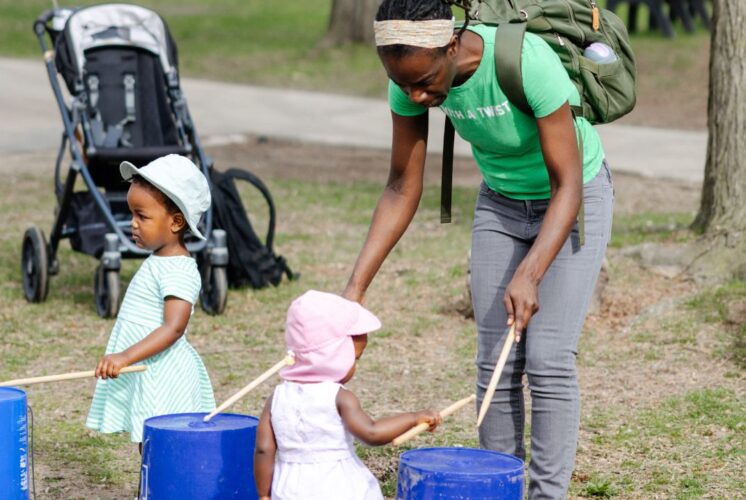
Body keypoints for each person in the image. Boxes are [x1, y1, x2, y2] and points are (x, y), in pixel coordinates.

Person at [343, 1, 614, 498]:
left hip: (573, 198)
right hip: (501, 203)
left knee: (549, 357)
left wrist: (530, 272)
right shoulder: (408, 78)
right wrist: (354, 291)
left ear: (451, 46)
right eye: (403, 84)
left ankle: (546, 494)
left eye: (424, 81)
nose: (416, 95)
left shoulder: (525, 61)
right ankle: (499, 485)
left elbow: (569, 182)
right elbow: (402, 186)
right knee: (496, 359)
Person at [254, 290, 441, 500]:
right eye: (355, 358)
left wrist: (264, 495)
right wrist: (413, 418)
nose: (355, 366)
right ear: (334, 357)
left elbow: (264, 449)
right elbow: (372, 433)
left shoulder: (277, 398)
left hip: (290, 489)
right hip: (337, 487)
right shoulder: (339, 397)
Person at [86, 154, 215, 445]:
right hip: (148, 369)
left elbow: (173, 328)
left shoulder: (179, 268)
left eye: (142, 216)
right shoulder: (159, 260)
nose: (132, 224)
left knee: (161, 443)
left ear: (175, 221)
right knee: (149, 441)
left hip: (162, 374)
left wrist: (125, 356)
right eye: (132, 214)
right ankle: (152, 489)